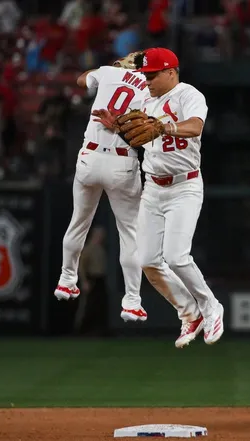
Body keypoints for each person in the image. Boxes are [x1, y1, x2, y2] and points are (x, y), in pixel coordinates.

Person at [92, 47, 224, 348]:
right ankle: (190, 313)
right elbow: (139, 136)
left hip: (185, 186)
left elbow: (195, 127)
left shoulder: (189, 95)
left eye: (152, 75)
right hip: (152, 187)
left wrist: (164, 126)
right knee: (148, 261)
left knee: (177, 256)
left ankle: (211, 307)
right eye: (145, 75)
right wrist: (118, 128)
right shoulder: (144, 99)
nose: (148, 81)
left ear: (170, 72)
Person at [54, 51, 150, 322]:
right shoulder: (151, 89)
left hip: (91, 156)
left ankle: (66, 279)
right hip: (123, 162)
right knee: (130, 234)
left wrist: (107, 70)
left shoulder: (109, 72)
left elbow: (81, 80)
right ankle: (131, 301)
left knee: (78, 223)